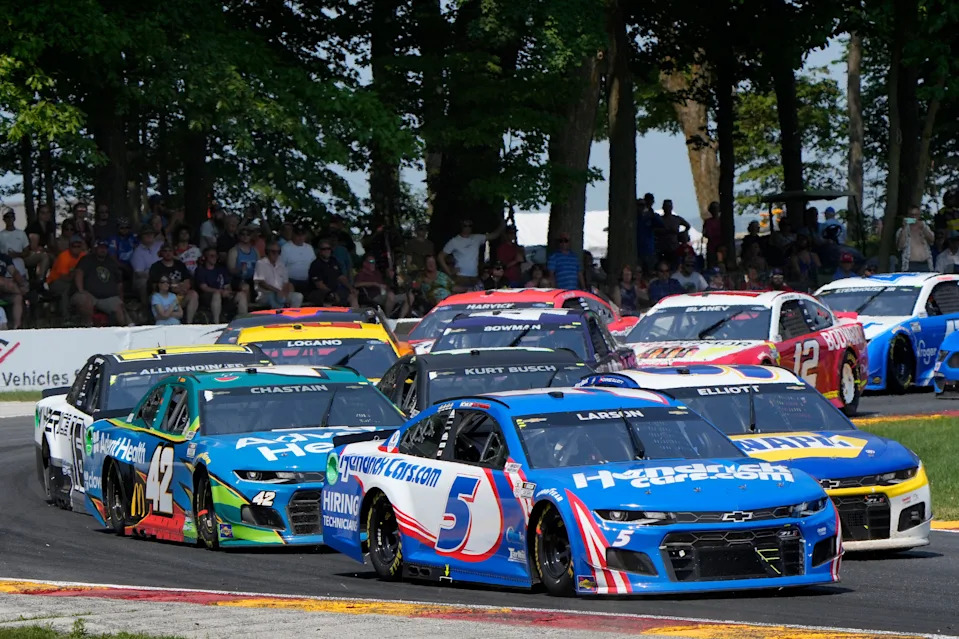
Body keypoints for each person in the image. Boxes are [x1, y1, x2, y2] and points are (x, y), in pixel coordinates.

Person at [71, 239, 127, 326]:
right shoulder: (86, 259)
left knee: (120, 309)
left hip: (108, 298)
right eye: (100, 247)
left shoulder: (111, 262)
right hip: (89, 295)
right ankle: (88, 327)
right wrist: (81, 290)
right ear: (95, 248)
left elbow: (119, 283)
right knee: (84, 300)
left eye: (105, 248)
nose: (103, 250)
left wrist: (120, 299)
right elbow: (79, 273)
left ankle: (127, 330)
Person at [439, 219, 505, 287]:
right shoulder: (454, 241)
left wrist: (503, 223)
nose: (467, 227)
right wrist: (449, 272)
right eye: (465, 225)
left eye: (470, 225)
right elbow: (440, 256)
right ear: (461, 226)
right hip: (460, 277)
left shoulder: (477, 238)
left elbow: (494, 235)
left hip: (474, 277)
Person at [194, 246, 248, 323]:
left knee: (241, 295)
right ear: (205, 257)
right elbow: (204, 287)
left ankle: (243, 321)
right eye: (211, 256)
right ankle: (216, 322)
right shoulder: (201, 270)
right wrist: (220, 291)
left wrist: (228, 292)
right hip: (208, 297)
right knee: (217, 294)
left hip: (223, 296)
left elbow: (227, 285)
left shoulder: (221, 269)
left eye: (215, 256)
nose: (214, 258)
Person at [148, 244, 198, 323]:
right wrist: (172, 289)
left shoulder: (180, 264)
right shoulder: (156, 266)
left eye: (170, 251)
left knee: (193, 294)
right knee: (153, 296)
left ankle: (189, 323)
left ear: (173, 252)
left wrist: (182, 290)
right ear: (161, 253)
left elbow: (187, 281)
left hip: (179, 297)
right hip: (163, 298)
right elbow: (154, 286)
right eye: (165, 251)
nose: (168, 253)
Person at [254, 241, 303, 309]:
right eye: (273, 252)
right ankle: (280, 314)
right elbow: (261, 283)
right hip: (265, 294)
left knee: (298, 296)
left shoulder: (282, 265)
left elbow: (286, 283)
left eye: (278, 252)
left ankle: (292, 315)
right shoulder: (260, 263)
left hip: (280, 293)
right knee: (272, 296)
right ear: (267, 252)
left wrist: (284, 293)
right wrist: (277, 291)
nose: (276, 254)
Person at [47, 236, 86, 317]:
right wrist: (76, 277)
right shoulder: (64, 257)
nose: (76, 248)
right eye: (74, 246)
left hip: (73, 280)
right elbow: (63, 277)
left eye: (78, 246)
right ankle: (66, 316)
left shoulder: (83, 256)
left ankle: (83, 315)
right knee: (68, 288)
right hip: (55, 281)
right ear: (69, 247)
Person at [307, 239, 353, 306]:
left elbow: (341, 277)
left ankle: (355, 312)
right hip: (318, 292)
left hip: (335, 290)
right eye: (324, 249)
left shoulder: (333, 261)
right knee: (330, 297)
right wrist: (331, 292)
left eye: (328, 248)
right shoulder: (316, 264)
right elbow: (319, 285)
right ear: (319, 251)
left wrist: (351, 288)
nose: (327, 251)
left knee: (352, 295)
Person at [130, 226, 162, 304]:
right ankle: (145, 306)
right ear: (141, 237)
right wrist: (155, 278)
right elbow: (139, 273)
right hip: (148, 277)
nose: (149, 235)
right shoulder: (137, 252)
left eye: (151, 233)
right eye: (146, 234)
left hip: (165, 273)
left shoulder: (161, 245)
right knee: (142, 282)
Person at [281, 225, 316, 294]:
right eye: (298, 235)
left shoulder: (309, 248)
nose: (300, 237)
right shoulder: (285, 248)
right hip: (291, 282)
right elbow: (281, 266)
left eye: (302, 235)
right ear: (293, 234)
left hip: (308, 281)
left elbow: (314, 264)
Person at [24, 205, 56, 281]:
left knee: (56, 257)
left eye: (48, 212)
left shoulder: (49, 226)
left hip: (41, 251)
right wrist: (46, 250)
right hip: (27, 254)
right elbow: (34, 247)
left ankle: (54, 279)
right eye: (43, 213)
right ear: (38, 214)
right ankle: (40, 280)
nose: (46, 215)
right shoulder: (34, 227)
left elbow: (52, 244)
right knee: (45, 257)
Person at [226, 226, 259, 292]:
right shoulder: (234, 251)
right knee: (245, 287)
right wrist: (240, 270)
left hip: (253, 279)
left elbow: (260, 267)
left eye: (248, 234)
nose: (245, 236)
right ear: (239, 236)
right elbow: (230, 270)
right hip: (238, 279)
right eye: (243, 234)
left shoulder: (255, 251)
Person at [0, 209, 30, 279]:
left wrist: (16, 254)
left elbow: (27, 252)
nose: (10, 219)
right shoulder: (0, 235)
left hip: (20, 271)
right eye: (7, 217)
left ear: (14, 218)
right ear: (4, 219)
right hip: (5, 274)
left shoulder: (21, 233)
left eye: (12, 216)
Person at [635, 199, 663, 274]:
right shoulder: (633, 218)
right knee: (638, 273)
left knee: (650, 272)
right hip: (637, 252)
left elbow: (661, 224)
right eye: (639, 205)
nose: (641, 207)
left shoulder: (650, 217)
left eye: (643, 205)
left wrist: (651, 214)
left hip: (649, 251)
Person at [0, 251, 25, 328]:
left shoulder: (4, 257)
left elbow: (14, 271)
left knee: (18, 297)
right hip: (3, 283)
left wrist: (22, 284)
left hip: (3, 290)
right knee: (5, 283)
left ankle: (17, 326)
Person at [702, 201, 723, 267]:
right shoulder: (708, 221)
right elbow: (704, 233)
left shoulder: (722, 221)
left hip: (721, 247)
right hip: (712, 247)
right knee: (712, 264)